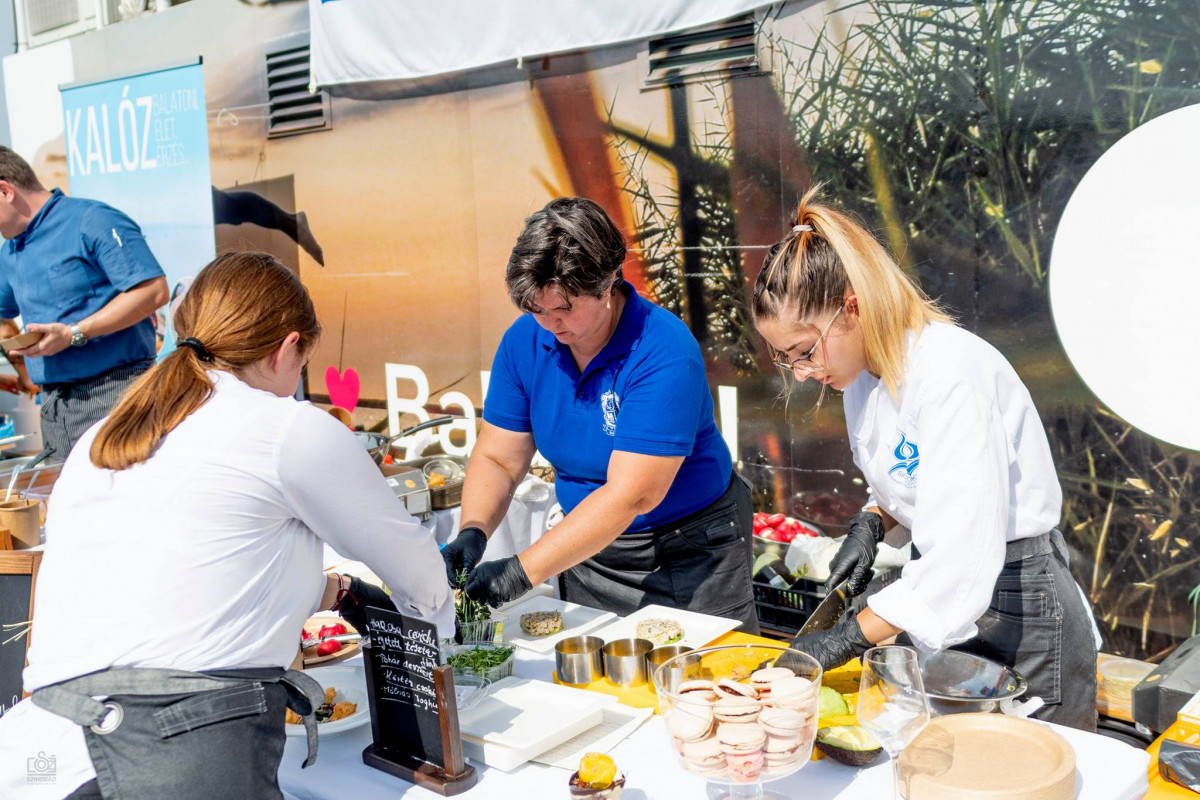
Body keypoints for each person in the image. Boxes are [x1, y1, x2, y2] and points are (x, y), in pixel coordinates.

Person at [0, 252, 453, 798]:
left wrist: (328, 589)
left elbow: (181, 569)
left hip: (42, 749)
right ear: (288, 348)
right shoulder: (288, 428)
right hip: (173, 748)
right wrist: (436, 665)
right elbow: (421, 578)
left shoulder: (103, 436)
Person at [751, 187, 1097, 730]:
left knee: (1036, 771)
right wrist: (872, 521)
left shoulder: (950, 375)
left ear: (852, 307)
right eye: (786, 358)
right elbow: (912, 473)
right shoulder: (864, 378)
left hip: (1022, 607)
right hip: (959, 599)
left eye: (805, 351)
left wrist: (844, 638)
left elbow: (957, 561)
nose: (800, 372)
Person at [443, 197, 757, 631]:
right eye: (536, 309)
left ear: (609, 281)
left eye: (565, 308)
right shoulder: (523, 343)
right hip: (586, 546)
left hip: (687, 550)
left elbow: (632, 494)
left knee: (704, 682)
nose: (551, 324)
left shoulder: (663, 350)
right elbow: (499, 456)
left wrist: (519, 573)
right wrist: (473, 530)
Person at [0, 146, 169, 457]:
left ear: (5, 191)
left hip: (118, 394)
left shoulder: (92, 220)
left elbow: (153, 291)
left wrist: (73, 333)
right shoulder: (9, 252)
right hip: (55, 408)